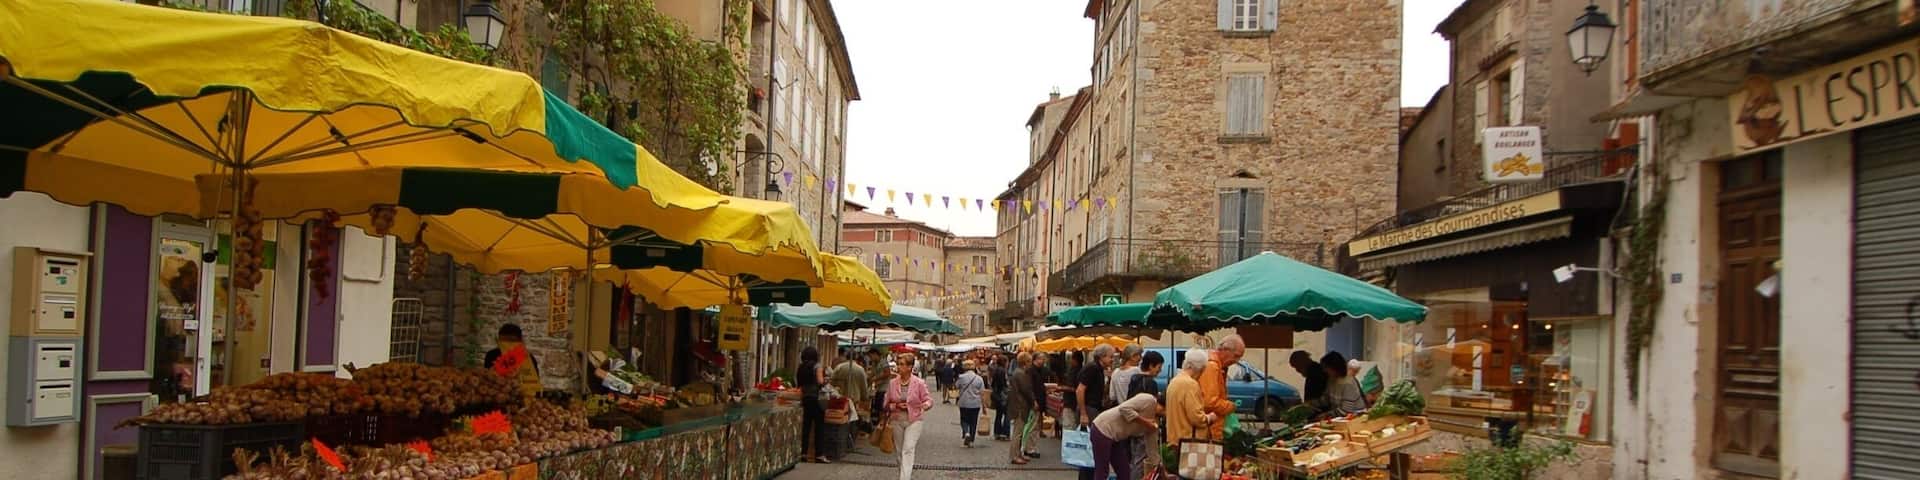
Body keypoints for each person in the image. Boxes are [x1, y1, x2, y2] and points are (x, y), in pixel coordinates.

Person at [883, 352, 934, 480]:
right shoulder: (892, 383)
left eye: (901, 364)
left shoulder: (919, 383)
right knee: (900, 452)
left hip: (914, 420)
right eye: (898, 364)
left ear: (909, 367)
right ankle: (903, 473)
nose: (898, 367)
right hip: (897, 420)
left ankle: (904, 478)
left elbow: (928, 399)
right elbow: (885, 404)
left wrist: (925, 405)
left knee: (908, 449)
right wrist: (896, 406)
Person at [1090, 393, 1162, 480]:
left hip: (1116, 436)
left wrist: (1159, 468)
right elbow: (1124, 408)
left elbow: (1152, 446)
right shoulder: (1148, 400)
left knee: (1124, 470)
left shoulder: (1155, 422)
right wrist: (1145, 422)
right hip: (1103, 428)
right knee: (1102, 470)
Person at [1124, 351, 1166, 480]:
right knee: (1141, 460)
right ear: (1151, 366)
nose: (1160, 370)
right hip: (1145, 425)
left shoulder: (1134, 378)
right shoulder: (1150, 383)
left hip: (1133, 425)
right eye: (1159, 367)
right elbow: (1155, 407)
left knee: (1134, 459)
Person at [1165, 350, 1217, 448]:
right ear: (1201, 369)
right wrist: (1209, 417)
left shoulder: (1174, 381)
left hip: (1175, 438)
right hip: (1189, 442)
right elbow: (1196, 417)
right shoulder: (1190, 384)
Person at [1199, 335, 1246, 440]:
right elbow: (1209, 402)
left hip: (1212, 428)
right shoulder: (1212, 367)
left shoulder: (1219, 366)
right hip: (1209, 431)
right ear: (1225, 350)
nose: (1237, 360)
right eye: (1236, 356)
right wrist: (1230, 406)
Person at [483, 324, 541, 396]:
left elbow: (533, 387)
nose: (507, 345)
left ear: (520, 341)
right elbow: (486, 381)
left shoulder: (528, 359)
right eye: (503, 341)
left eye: (511, 341)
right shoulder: (491, 355)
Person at [797, 347, 831, 463]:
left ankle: (803, 453)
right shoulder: (817, 366)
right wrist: (827, 380)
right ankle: (819, 454)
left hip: (805, 398)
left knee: (806, 426)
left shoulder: (801, 367)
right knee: (819, 427)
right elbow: (820, 381)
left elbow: (800, 384)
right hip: (817, 399)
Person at [1007, 352, 1039, 464]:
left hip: (1020, 405)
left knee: (1019, 432)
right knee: (1018, 433)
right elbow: (1026, 390)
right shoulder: (1020, 374)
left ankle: (1019, 454)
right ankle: (1014, 456)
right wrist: (1034, 401)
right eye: (1030, 361)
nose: (1031, 364)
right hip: (1020, 406)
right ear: (1026, 362)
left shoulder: (1018, 373)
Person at [1075, 344, 1117, 429]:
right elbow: (1080, 390)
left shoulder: (1099, 369)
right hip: (1089, 408)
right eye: (1110, 357)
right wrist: (1083, 413)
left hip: (1093, 408)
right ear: (1101, 357)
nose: (1112, 360)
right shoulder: (1093, 368)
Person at [832, 349, 870, 435]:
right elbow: (864, 386)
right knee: (852, 419)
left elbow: (832, 383)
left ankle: (842, 436)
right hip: (854, 399)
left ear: (846, 357)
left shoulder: (839, 367)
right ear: (856, 357)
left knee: (841, 420)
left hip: (840, 399)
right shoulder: (860, 370)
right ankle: (850, 437)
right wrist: (865, 397)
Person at [956, 360, 986, 447]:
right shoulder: (979, 378)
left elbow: (957, 386)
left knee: (964, 420)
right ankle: (971, 440)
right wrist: (984, 406)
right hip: (975, 403)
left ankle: (966, 432)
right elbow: (982, 393)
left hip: (964, 402)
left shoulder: (961, 377)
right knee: (973, 421)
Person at [1108, 344, 1144, 410]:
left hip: (1120, 410)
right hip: (1135, 410)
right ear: (1133, 356)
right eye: (1140, 355)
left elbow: (1112, 396)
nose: (1141, 358)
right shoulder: (1136, 371)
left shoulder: (1115, 372)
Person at [989, 355, 1012, 440]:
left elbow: (992, 384)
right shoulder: (1003, 371)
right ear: (1004, 362)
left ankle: (997, 432)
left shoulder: (996, 370)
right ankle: (1005, 433)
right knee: (1007, 415)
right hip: (1003, 396)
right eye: (1007, 362)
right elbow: (1004, 385)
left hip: (997, 395)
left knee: (998, 415)